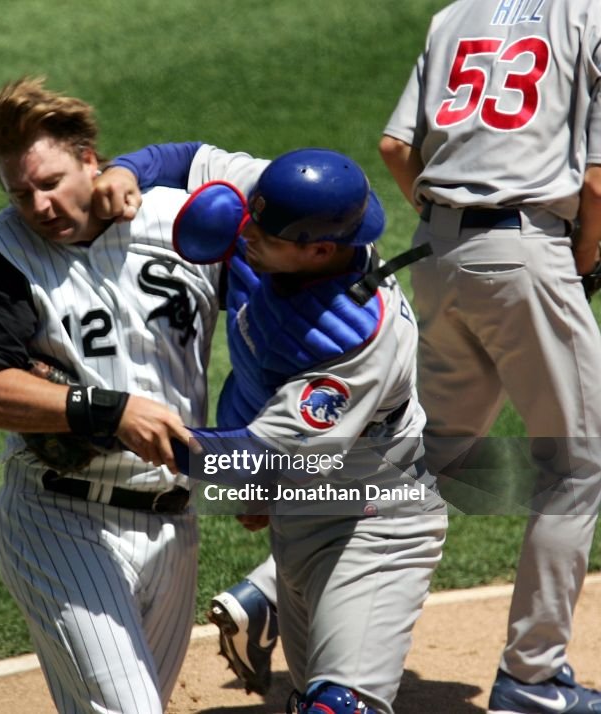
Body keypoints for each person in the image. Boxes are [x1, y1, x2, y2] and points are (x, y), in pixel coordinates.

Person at [96, 144, 449, 713]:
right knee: (309, 693)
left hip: (374, 522)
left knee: (339, 705)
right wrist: (124, 171)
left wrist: (108, 424)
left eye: (265, 234)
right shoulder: (286, 205)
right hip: (300, 510)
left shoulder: (352, 342)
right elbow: (186, 158)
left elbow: (252, 457)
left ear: (321, 249)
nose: (247, 235)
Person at [0, 77, 223, 713]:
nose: (39, 205)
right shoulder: (2, 255)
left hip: (173, 520)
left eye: (51, 183)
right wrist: (109, 410)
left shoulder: (178, 224)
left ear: (92, 162)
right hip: (61, 520)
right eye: (21, 193)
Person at [378, 0, 601, 711]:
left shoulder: (455, 14)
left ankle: (264, 593)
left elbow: (393, 149)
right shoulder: (589, 16)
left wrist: (455, 232)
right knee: (575, 462)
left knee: (427, 451)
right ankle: (532, 678)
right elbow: (596, 181)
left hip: (436, 255)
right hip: (525, 254)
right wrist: (582, 260)